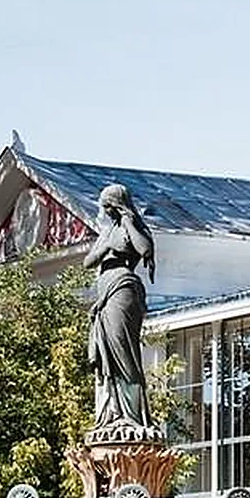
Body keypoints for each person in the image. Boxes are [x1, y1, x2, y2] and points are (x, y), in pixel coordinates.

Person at [84, 183, 155, 429]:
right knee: (108, 356)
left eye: (107, 206)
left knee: (123, 351)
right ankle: (112, 411)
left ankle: (131, 414)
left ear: (117, 205)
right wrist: (107, 245)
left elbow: (145, 249)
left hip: (122, 290)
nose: (105, 211)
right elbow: (88, 262)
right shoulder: (108, 232)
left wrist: (128, 221)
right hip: (104, 295)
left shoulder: (131, 227)